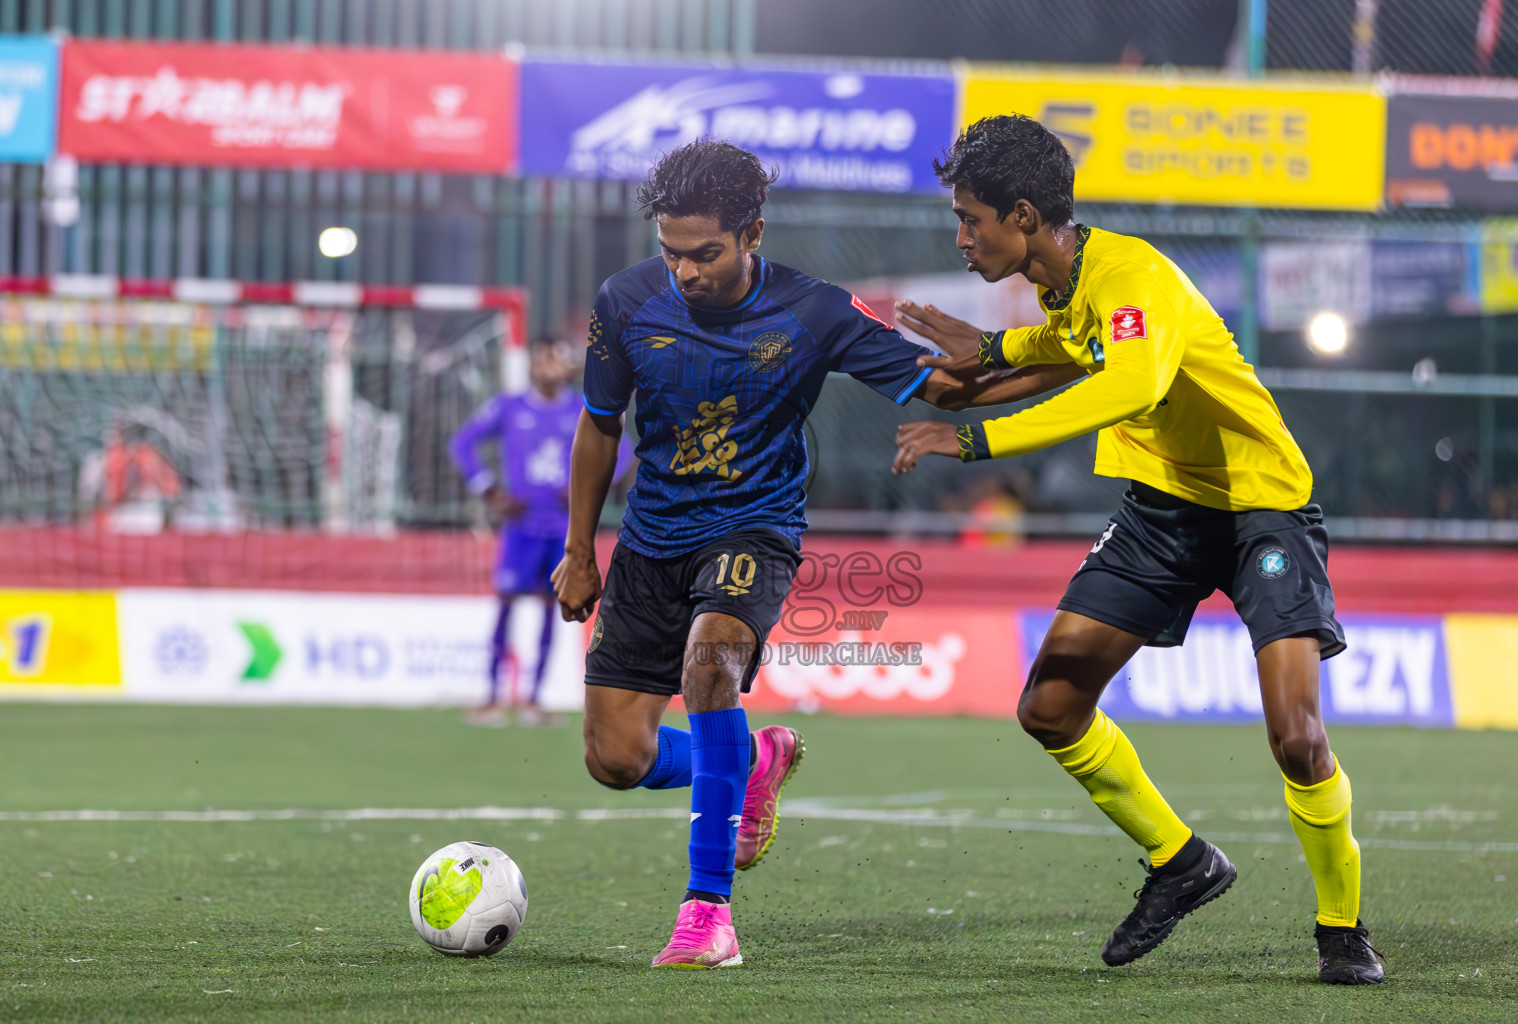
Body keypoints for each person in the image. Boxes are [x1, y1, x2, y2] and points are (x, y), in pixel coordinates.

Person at [552, 138, 1072, 970]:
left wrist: (1067, 356)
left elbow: (946, 387)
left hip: (753, 530)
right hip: (650, 540)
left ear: (753, 231)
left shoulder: (816, 311)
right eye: (671, 253)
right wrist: (579, 550)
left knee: (709, 670)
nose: (685, 271)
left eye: (706, 253)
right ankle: (753, 757)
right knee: (617, 759)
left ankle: (706, 913)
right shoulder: (627, 301)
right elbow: (600, 424)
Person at [891, 114, 1383, 986]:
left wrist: (972, 438)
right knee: (1049, 705)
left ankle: (1342, 929)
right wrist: (991, 354)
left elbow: (1129, 378)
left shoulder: (1132, 274)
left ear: (1025, 214)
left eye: (973, 220)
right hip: (1163, 510)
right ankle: (1182, 862)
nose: (962, 238)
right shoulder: (1064, 284)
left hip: (1260, 510)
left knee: (1297, 738)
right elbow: (1076, 347)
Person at [450, 337, 628, 726]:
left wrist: (590, 485)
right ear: (532, 363)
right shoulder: (510, 406)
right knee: (506, 602)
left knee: (553, 608)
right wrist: (489, 489)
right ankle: (493, 697)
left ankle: (534, 699)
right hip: (520, 527)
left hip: (564, 530)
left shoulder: (584, 408)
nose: (549, 366)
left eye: (556, 358)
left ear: (567, 366)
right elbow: (463, 443)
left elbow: (623, 450)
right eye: (542, 357)